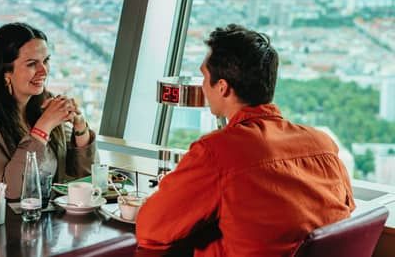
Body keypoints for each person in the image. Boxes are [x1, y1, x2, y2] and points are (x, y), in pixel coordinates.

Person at [136, 24, 355, 257]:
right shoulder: (323, 144)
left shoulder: (216, 152)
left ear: (222, 87)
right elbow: (345, 210)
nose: (202, 85)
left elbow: (150, 228)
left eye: (204, 76)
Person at [0, 22, 96, 207]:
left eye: (46, 60)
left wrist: (80, 127)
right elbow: (10, 189)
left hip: (36, 222)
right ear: (6, 72)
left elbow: (82, 179)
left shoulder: (45, 104)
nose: (44, 71)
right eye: (32, 64)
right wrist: (43, 128)